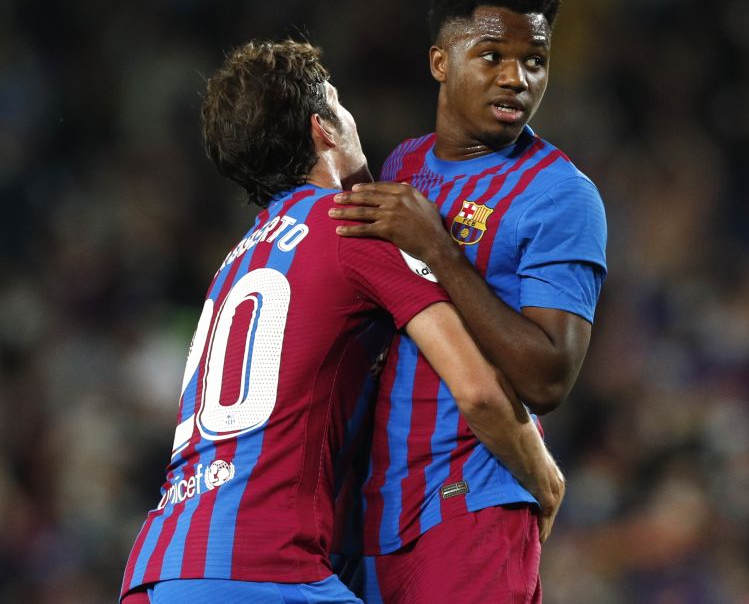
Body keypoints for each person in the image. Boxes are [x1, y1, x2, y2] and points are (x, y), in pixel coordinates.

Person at [119, 40, 564, 604]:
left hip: (158, 568)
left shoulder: (234, 262)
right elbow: (477, 391)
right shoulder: (355, 227)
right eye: (339, 103)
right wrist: (544, 480)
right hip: (264, 569)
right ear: (324, 129)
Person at [329, 0, 608, 602]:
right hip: (371, 521)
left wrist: (442, 253)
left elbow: (549, 377)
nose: (517, 77)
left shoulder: (560, 195)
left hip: (472, 509)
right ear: (440, 63)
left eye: (534, 60)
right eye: (492, 56)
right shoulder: (404, 165)